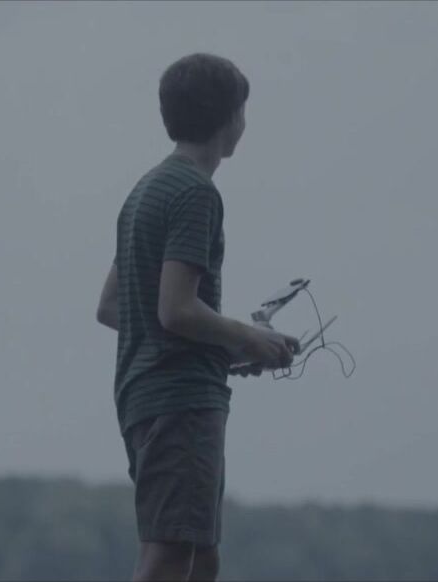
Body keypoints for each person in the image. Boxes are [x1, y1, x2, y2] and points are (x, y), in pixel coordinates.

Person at [95, 53, 301, 581]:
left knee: (201, 556)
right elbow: (176, 309)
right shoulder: (195, 193)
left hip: (147, 394)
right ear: (228, 117)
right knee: (168, 556)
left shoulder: (147, 190)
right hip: (179, 402)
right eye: (243, 110)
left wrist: (221, 350)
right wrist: (250, 338)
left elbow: (115, 306)